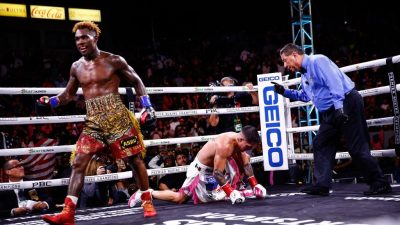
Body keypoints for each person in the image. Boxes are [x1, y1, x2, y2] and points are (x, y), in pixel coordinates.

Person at [39, 21, 157, 224]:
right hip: (93, 121)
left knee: (134, 160)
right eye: (77, 38)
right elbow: (68, 94)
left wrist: (147, 106)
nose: (80, 42)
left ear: (96, 38)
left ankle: (147, 200)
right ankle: (68, 213)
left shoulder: (114, 60)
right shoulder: (76, 66)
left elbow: (137, 80)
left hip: (118, 119)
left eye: (85, 37)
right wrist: (49, 102)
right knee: (78, 163)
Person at [274, 43, 391, 196]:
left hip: (345, 103)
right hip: (330, 112)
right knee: (320, 143)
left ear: (295, 55)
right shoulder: (304, 75)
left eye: (285, 60)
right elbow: (305, 96)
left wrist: (339, 108)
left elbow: (334, 82)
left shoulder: (318, 61)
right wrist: (285, 92)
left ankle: (379, 182)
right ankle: (322, 185)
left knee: (356, 147)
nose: (284, 65)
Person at [128, 125, 267, 207]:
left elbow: (246, 163)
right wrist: (230, 192)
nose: (248, 149)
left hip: (214, 169)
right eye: (248, 146)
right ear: (241, 139)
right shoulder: (225, 145)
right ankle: (147, 193)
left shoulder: (238, 142)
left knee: (239, 162)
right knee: (180, 198)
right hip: (200, 171)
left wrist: (255, 184)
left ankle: (242, 189)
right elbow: (217, 174)